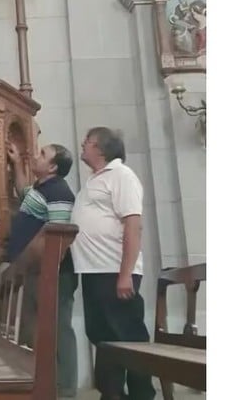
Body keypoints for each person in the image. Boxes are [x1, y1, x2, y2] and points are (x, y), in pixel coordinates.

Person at [70, 127, 155, 400]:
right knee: (102, 336)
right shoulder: (95, 179)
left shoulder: (121, 175)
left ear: (103, 150)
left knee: (128, 336)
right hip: (93, 270)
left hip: (113, 270)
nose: (83, 144)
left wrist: (125, 274)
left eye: (89, 141)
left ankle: (142, 394)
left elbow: (133, 224)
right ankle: (112, 394)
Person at [5, 142, 79, 398]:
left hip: (53, 275)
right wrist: (16, 164)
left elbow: (58, 240)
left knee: (58, 332)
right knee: (32, 329)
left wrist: (47, 277)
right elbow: (22, 191)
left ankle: (66, 391)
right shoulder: (42, 188)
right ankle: (43, 386)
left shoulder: (59, 192)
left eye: (42, 155)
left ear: (53, 167)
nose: (35, 156)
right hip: (33, 271)